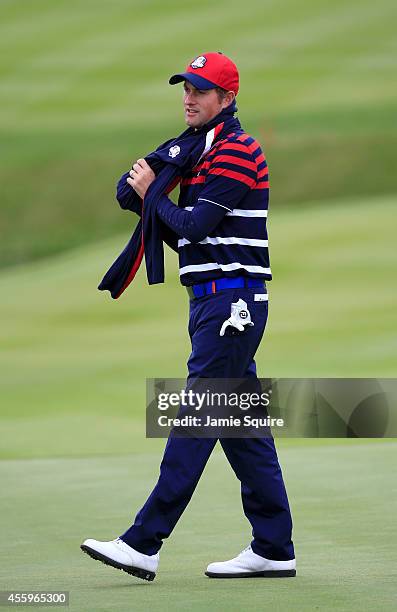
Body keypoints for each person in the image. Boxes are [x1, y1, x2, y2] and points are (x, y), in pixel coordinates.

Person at [81, 52, 296, 581]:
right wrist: (145, 200)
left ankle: (144, 541)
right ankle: (273, 546)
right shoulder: (200, 152)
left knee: (196, 420)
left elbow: (195, 226)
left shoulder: (237, 152)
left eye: (201, 91)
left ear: (226, 99)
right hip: (214, 300)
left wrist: (149, 194)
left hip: (233, 306)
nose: (189, 97)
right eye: (186, 88)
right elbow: (188, 241)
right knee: (243, 431)